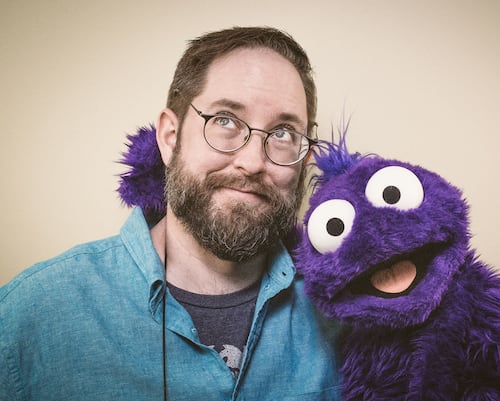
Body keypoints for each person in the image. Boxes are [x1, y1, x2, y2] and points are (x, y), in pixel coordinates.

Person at [0, 27, 342, 400]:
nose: (252, 162)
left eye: (282, 133)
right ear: (169, 136)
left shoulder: (347, 316)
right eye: (225, 120)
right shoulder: (28, 317)